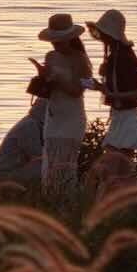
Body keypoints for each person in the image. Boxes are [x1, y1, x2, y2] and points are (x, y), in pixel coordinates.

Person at [86, 9, 137, 192]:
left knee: (117, 164)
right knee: (120, 165)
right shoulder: (118, 55)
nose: (101, 38)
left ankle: (118, 196)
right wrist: (103, 86)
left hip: (126, 116)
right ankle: (124, 196)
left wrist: (109, 93)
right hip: (121, 114)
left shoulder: (124, 57)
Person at [36, 13, 91, 194]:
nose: (56, 44)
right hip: (53, 114)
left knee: (65, 163)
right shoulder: (50, 56)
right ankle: (50, 198)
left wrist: (56, 78)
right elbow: (46, 91)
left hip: (72, 116)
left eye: (60, 40)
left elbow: (77, 91)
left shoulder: (80, 59)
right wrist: (43, 78)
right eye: (54, 40)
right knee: (51, 161)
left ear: (70, 38)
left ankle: (65, 199)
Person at [0, 98, 48, 194]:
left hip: (11, 170)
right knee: (44, 167)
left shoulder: (32, 122)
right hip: (4, 174)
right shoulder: (29, 126)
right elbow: (37, 154)